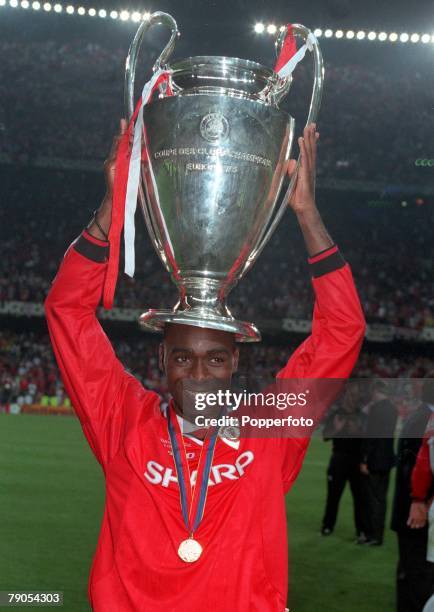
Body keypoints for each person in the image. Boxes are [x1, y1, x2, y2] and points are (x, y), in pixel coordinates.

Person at [45, 122, 366, 611]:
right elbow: (67, 312)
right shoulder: (122, 419)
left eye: (215, 358)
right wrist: (113, 206)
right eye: (182, 358)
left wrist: (307, 214)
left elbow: (342, 331)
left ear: (235, 359)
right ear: (161, 358)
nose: (197, 375)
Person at [391, 375, 434, 612]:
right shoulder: (425, 420)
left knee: (410, 573)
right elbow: (414, 468)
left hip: (411, 510)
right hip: (416, 513)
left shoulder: (420, 416)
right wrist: (422, 501)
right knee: (418, 575)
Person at [320, 382, 367, 539]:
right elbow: (325, 436)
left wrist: (357, 433)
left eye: (355, 394)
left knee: (359, 498)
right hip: (338, 460)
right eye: (350, 394)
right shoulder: (336, 414)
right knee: (333, 497)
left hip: (357, 460)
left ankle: (361, 530)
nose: (352, 397)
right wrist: (337, 430)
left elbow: (368, 441)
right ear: (345, 395)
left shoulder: (363, 416)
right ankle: (327, 526)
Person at [359, 381, 397, 545]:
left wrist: (364, 459)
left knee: (372, 499)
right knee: (381, 499)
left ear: (376, 391)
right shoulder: (393, 409)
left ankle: (371, 535)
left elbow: (371, 437)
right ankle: (378, 535)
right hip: (387, 460)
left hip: (374, 460)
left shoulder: (375, 409)